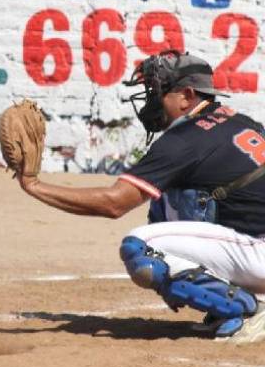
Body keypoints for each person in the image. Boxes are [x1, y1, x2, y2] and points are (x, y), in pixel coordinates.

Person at [15, 50, 265, 343]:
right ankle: (239, 294)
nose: (151, 101)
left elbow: (114, 203)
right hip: (253, 245)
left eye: (157, 92)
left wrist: (35, 186)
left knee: (142, 247)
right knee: (164, 203)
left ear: (186, 95)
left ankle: (249, 309)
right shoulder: (238, 121)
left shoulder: (183, 141)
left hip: (257, 254)